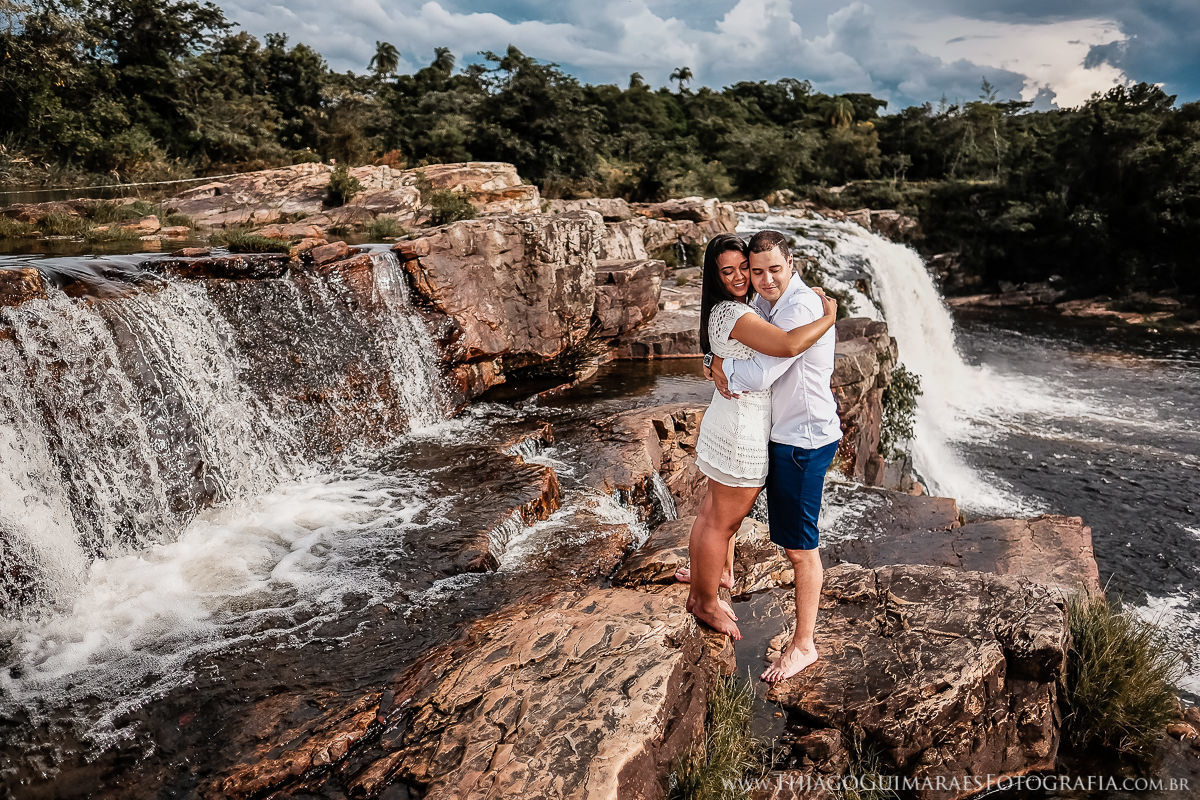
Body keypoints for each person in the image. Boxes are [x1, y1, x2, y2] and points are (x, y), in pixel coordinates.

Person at [683, 232, 837, 642]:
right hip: (743, 430)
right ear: (716, 276)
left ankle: (713, 577)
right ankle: (704, 598)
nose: (748, 278)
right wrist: (829, 319)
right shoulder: (744, 310)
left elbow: (750, 362)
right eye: (732, 271)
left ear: (790, 264)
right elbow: (777, 355)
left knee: (715, 515)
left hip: (756, 425)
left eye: (747, 269)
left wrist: (715, 361)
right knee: (722, 521)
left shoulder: (767, 305)